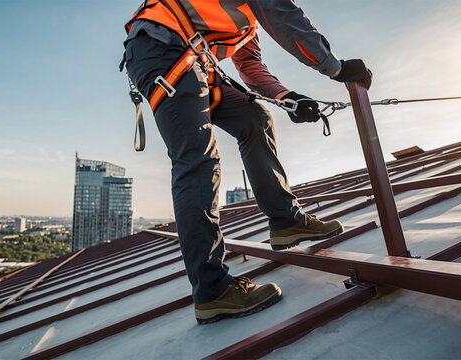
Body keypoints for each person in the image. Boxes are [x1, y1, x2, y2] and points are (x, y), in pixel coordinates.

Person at [122, 0, 372, 324]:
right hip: (163, 48)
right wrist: (334, 67)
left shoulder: (244, 23)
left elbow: (249, 65)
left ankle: (286, 221)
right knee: (198, 161)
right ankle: (213, 292)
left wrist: (287, 98)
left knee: (254, 116)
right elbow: (284, 16)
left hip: (189, 57)